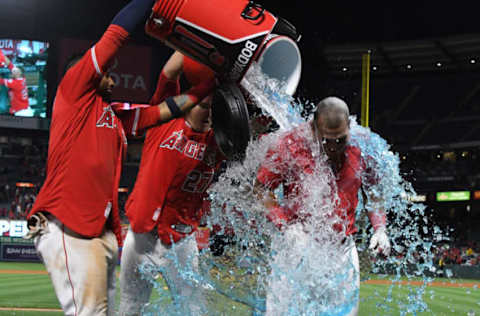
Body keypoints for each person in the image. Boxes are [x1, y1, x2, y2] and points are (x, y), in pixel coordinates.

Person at [24, 0, 215, 315]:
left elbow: (162, 112)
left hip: (98, 231)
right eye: (107, 74)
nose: (113, 79)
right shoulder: (73, 94)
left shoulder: (113, 117)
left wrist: (208, 86)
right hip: (67, 224)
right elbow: (115, 36)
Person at [254, 96, 391, 316]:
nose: (334, 147)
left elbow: (374, 193)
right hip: (297, 244)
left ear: (349, 127)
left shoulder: (364, 146)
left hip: (341, 250)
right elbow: (261, 189)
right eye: (327, 140)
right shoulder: (289, 144)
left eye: (341, 140)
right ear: (313, 128)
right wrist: (285, 225)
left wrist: (380, 229)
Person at [118, 53, 225, 315]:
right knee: (131, 305)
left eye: (214, 110)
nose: (209, 114)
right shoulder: (163, 120)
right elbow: (169, 73)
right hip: (142, 234)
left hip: (180, 240)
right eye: (203, 106)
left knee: (193, 307)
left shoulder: (220, 142)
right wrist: (193, 40)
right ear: (187, 104)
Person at [0, 49, 31, 116]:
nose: (14, 71)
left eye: (17, 71)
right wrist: (1, 55)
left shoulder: (15, 83)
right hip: (23, 109)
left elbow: (1, 81)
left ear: (19, 74)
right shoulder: (22, 79)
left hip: (22, 113)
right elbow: (10, 65)